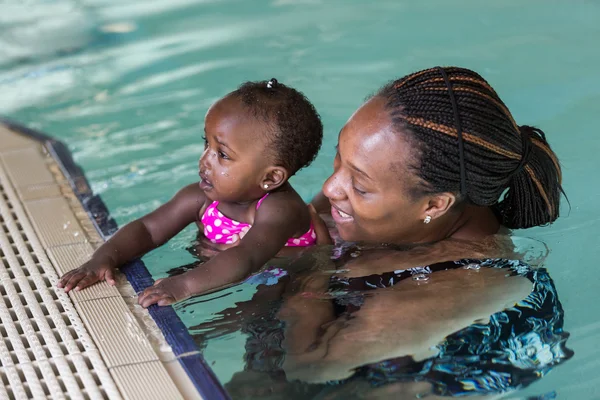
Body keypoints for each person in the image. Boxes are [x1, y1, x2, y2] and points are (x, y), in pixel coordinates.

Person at [192, 66, 571, 398]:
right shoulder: (386, 197)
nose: (329, 189)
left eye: (359, 185)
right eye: (339, 158)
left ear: (435, 205)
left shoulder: (463, 283)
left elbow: (312, 365)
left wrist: (314, 270)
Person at [58, 78, 323, 307]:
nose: (205, 159)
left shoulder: (280, 209)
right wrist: (104, 258)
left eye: (222, 154)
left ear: (270, 177)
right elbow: (148, 230)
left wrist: (183, 287)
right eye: (206, 143)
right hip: (216, 271)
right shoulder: (199, 198)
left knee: (265, 312)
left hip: (288, 282)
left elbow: (247, 258)